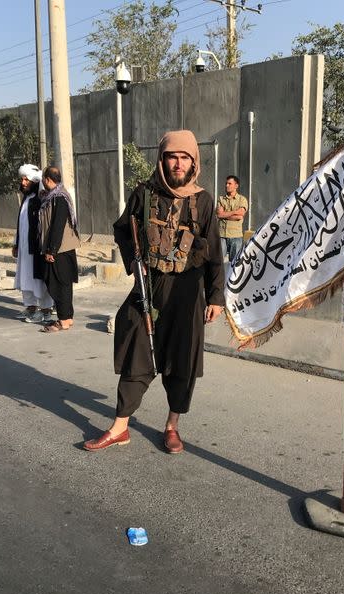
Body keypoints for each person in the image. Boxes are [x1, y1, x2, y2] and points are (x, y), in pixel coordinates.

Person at [84, 130, 225, 453]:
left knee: (181, 360)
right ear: (162, 159)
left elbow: (215, 253)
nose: (178, 164)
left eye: (184, 158)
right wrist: (134, 264)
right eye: (172, 157)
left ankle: (172, 425)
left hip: (188, 291)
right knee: (136, 351)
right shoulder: (144, 193)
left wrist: (216, 297)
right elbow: (122, 230)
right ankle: (120, 426)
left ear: (194, 162)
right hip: (149, 285)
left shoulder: (203, 200)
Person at [38, 166, 80, 333]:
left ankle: (63, 320)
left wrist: (51, 250)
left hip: (59, 249)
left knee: (58, 283)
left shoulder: (59, 197)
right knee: (64, 283)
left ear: (47, 179)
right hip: (61, 248)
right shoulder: (54, 196)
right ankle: (67, 318)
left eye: (43, 179)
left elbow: (58, 225)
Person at [12, 163, 54, 323]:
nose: (23, 183)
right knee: (25, 278)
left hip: (36, 249)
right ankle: (30, 308)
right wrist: (16, 244)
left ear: (34, 182)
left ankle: (46, 311)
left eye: (26, 180)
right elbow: (21, 224)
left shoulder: (40, 199)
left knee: (39, 280)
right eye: (22, 179)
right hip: (24, 249)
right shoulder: (26, 199)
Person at [216, 174, 248, 265]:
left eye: (229, 183)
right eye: (226, 183)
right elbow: (219, 214)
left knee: (235, 263)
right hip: (222, 235)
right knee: (218, 263)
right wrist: (234, 212)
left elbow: (241, 215)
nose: (227, 185)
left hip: (236, 236)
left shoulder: (242, 200)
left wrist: (224, 214)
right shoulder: (221, 199)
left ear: (236, 186)